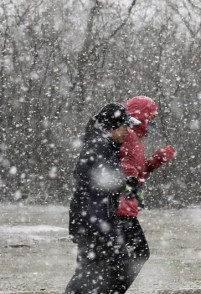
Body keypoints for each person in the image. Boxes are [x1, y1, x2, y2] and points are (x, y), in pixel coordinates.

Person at [66, 103, 139, 294]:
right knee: (95, 271)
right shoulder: (100, 145)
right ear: (113, 126)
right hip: (94, 220)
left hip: (94, 219)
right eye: (125, 126)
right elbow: (98, 181)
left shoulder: (103, 143)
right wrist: (125, 185)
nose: (127, 131)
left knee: (95, 270)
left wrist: (124, 183)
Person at [115, 96, 176, 293]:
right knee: (139, 253)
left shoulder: (134, 138)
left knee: (125, 255)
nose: (153, 122)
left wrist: (153, 163)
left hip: (126, 209)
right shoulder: (127, 136)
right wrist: (129, 174)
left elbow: (136, 175)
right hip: (120, 209)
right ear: (142, 116)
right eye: (152, 117)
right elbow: (117, 166)